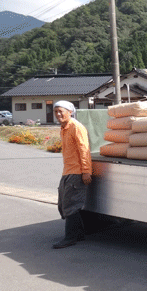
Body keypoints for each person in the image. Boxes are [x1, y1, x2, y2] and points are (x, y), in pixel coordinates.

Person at [52, 100, 92, 249]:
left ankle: (70, 237)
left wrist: (86, 171)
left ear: (70, 111)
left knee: (70, 205)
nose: (58, 114)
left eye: (61, 111)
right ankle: (79, 233)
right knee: (63, 204)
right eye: (56, 111)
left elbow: (84, 150)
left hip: (77, 172)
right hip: (67, 171)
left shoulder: (76, 127)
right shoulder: (64, 128)